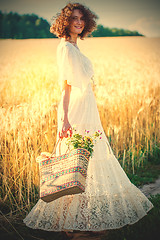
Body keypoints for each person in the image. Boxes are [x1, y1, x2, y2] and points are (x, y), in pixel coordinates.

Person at [23, 2, 153, 239]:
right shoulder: (66, 48)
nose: (79, 22)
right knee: (77, 163)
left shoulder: (74, 46)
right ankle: (76, 222)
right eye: (74, 18)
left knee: (85, 162)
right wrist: (64, 120)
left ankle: (79, 220)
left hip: (86, 108)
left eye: (82, 18)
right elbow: (65, 87)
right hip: (76, 112)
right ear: (66, 22)